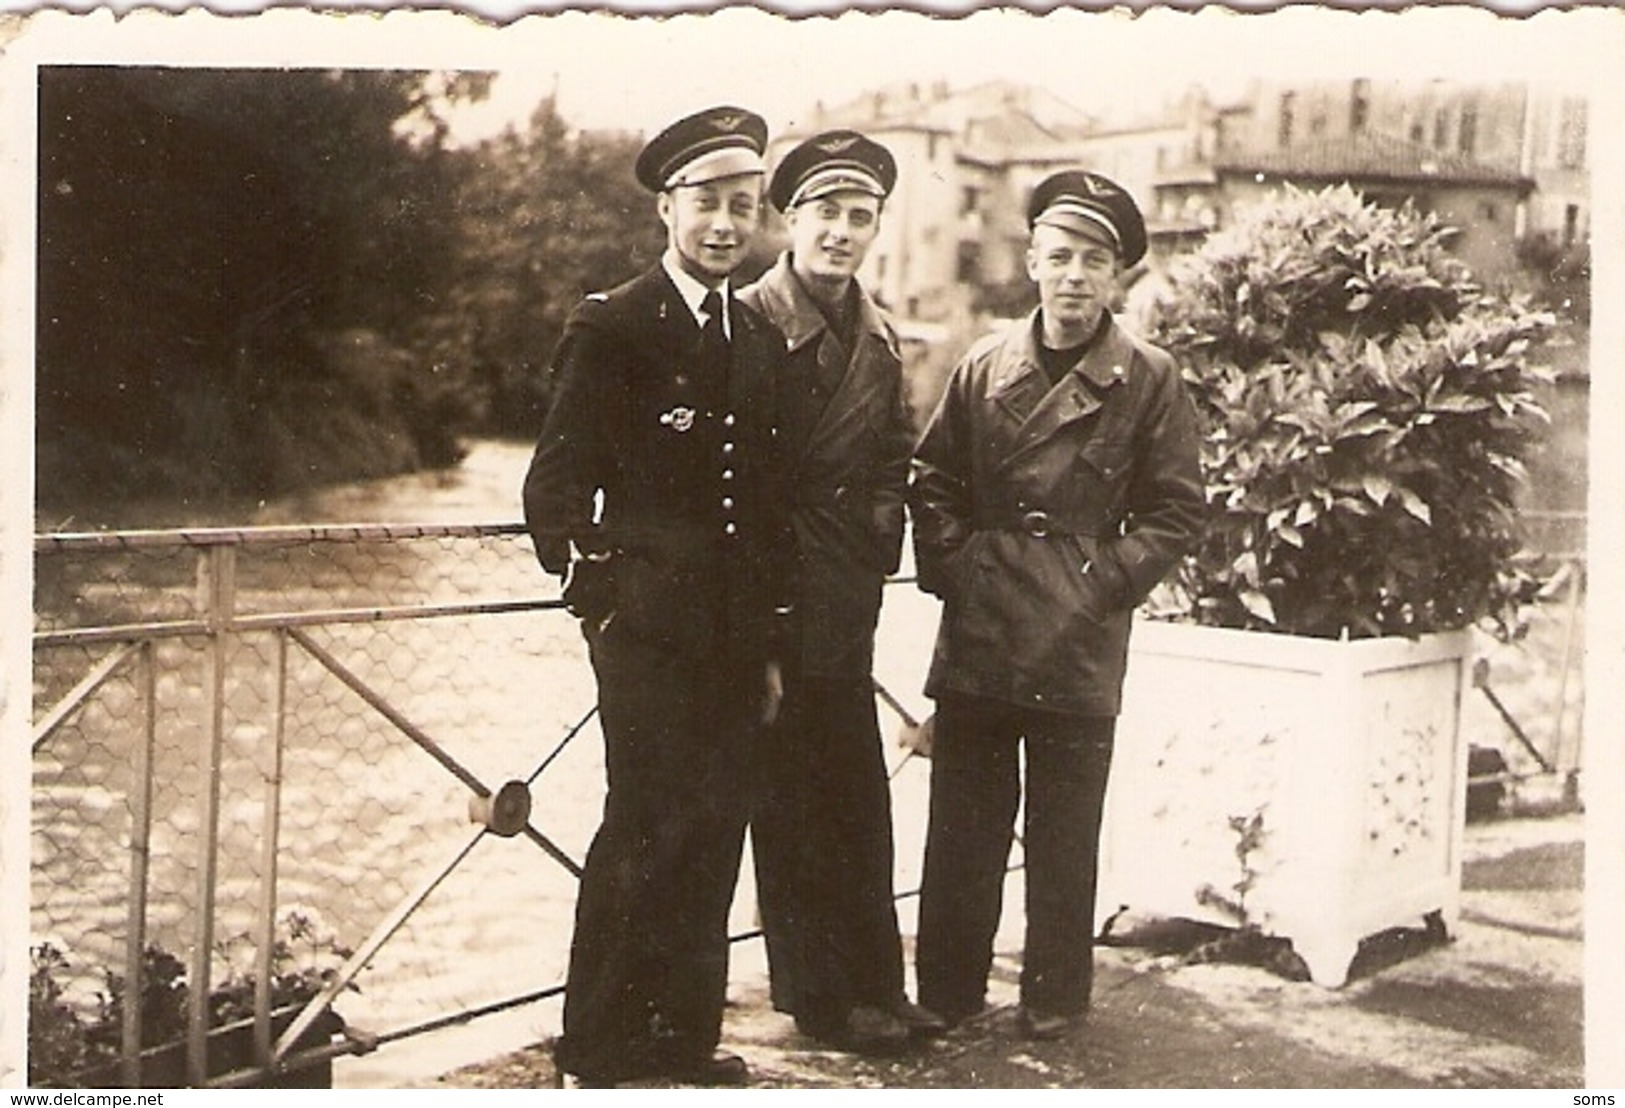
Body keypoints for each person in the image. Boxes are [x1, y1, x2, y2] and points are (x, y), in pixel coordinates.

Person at [521, 105, 793, 1087]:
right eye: (707, 203)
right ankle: (598, 1042)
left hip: (729, 632)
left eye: (743, 206)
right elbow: (551, 489)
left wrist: (766, 637)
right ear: (666, 209)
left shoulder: (753, 334)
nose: (725, 224)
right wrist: (598, 599)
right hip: (644, 632)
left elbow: (757, 502)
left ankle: (679, 1038)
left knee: (714, 826)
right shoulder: (616, 323)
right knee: (641, 821)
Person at [907, 169, 1206, 1040]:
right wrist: (959, 568)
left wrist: (1098, 584)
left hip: (1077, 638)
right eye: (1060, 256)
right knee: (962, 824)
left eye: (1095, 262)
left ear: (1119, 279)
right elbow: (932, 480)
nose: (1075, 276)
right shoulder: (982, 364)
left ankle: (1053, 997)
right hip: (983, 624)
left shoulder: (1149, 378)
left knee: (1064, 831)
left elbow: (1176, 510)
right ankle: (949, 991)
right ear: (1031, 262)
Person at [737, 130, 945, 1054]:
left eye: (860, 218)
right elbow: (734, 475)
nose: (843, 233)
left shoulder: (879, 330)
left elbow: (894, 452)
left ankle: (874, 986)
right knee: (789, 804)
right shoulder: (745, 320)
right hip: (767, 592)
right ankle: (821, 999)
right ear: (790, 219)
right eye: (826, 214)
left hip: (845, 595)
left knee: (857, 794)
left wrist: (873, 537)